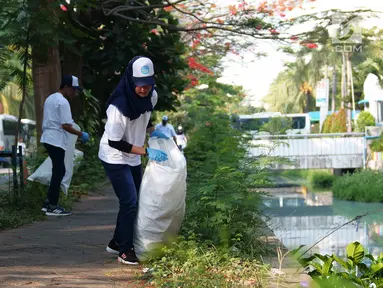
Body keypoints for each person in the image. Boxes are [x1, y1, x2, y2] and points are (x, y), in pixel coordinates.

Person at [98, 56, 169, 265]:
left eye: (148, 84)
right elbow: (114, 141)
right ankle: (125, 250)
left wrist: (155, 133)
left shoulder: (152, 96)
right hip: (114, 155)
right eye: (139, 85)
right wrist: (145, 151)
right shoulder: (117, 107)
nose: (143, 89)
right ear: (131, 80)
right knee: (129, 201)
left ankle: (116, 242)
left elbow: (144, 117)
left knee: (136, 199)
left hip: (133, 156)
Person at [40, 75, 90, 216]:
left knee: (58, 170)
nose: (75, 93)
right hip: (55, 139)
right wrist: (81, 134)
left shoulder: (51, 98)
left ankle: (48, 203)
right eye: (73, 90)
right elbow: (66, 125)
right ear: (66, 87)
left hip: (48, 137)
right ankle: (52, 206)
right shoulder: (63, 102)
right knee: (59, 171)